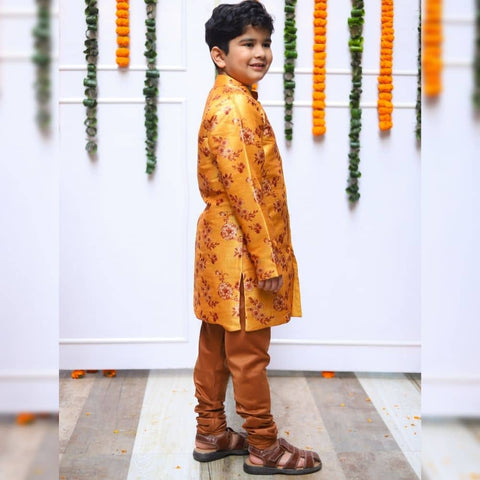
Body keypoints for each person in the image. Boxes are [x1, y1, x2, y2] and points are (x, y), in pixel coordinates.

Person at [192, 1, 322, 475]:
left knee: (215, 341)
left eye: (265, 43)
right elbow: (245, 188)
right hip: (242, 251)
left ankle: (211, 432)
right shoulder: (235, 107)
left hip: (219, 248)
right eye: (248, 43)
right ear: (219, 54)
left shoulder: (229, 98)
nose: (261, 52)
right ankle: (264, 446)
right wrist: (268, 261)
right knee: (248, 352)